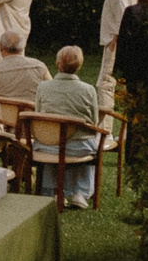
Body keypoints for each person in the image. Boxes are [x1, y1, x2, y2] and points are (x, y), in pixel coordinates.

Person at [33, 45, 102, 206]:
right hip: (80, 147)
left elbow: (39, 112)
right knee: (85, 138)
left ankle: (55, 191)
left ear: (58, 64)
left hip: (49, 146)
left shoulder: (43, 87)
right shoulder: (88, 90)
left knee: (54, 140)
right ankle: (80, 192)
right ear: (79, 66)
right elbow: (94, 121)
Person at [0, 31, 50, 104]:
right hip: (31, 113)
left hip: (3, 114)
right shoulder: (40, 67)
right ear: (23, 47)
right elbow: (51, 93)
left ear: (1, 48)